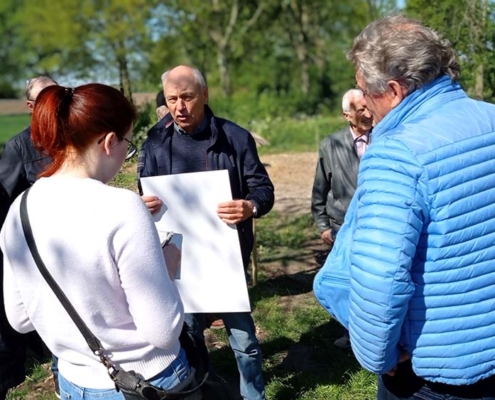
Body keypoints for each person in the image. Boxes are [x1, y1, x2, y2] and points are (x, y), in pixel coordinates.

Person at [325, 15, 495, 399]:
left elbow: (379, 278)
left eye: (365, 90)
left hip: (437, 374)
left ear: (395, 90)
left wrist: (378, 357)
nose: (364, 102)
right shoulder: (492, 118)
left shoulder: (396, 153)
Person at [0, 83, 192, 400]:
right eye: (127, 144)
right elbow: (163, 332)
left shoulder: (19, 209)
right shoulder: (123, 207)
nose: (125, 155)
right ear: (109, 141)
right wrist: (168, 265)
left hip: (73, 382)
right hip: (147, 381)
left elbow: (20, 319)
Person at [138, 65, 274, 400]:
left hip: (225, 257)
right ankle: (200, 393)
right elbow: (144, 189)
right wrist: (145, 204)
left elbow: (263, 189)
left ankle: (253, 395)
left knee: (244, 341)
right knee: (190, 337)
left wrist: (249, 206)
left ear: (205, 95)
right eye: (172, 99)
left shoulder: (235, 138)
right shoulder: (155, 141)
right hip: (179, 261)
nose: (179, 107)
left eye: (187, 97)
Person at [0, 76, 58, 400]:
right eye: (45, 98)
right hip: (36, 254)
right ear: (31, 107)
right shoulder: (19, 148)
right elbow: (5, 205)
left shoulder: (75, 137)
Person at [311, 88, 372, 350]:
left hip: (376, 223)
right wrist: (322, 224)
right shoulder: (330, 144)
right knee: (347, 280)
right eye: (359, 110)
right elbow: (320, 187)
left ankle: (376, 333)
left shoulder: (387, 139)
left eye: (367, 107)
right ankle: (350, 333)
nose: (367, 113)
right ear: (346, 115)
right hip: (342, 226)